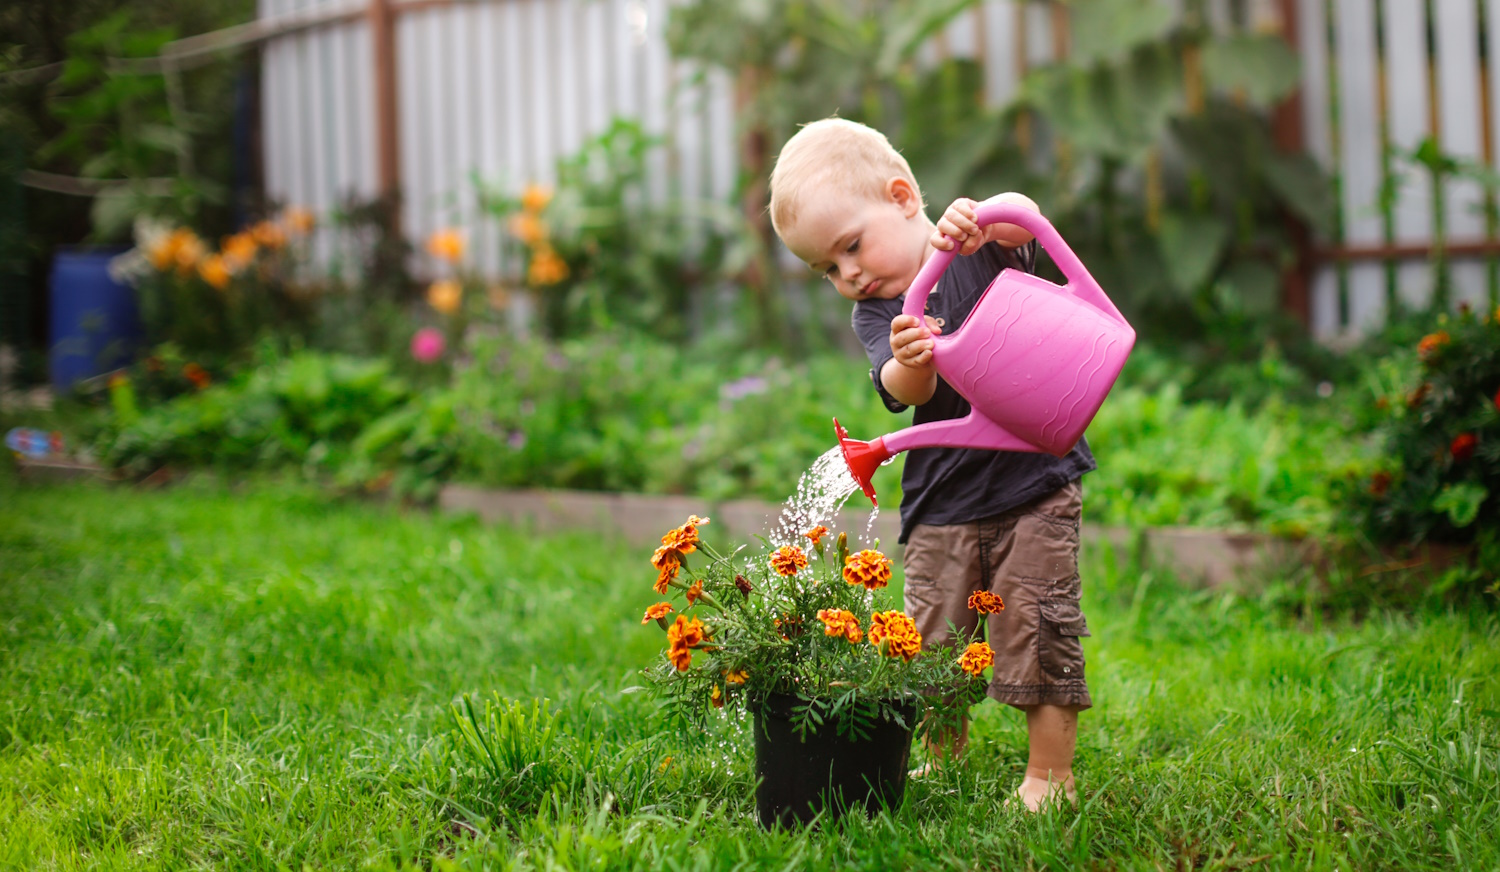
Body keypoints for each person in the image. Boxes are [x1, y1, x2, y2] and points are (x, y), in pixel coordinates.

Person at [768, 117, 1096, 812]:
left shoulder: (975, 246)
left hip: (1031, 481)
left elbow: (1027, 221)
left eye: (850, 247)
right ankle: (947, 757)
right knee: (932, 641)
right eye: (827, 268)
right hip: (941, 497)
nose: (847, 273)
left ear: (902, 196)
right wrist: (909, 359)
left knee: (1039, 625)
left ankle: (1049, 777)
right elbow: (898, 388)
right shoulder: (881, 311)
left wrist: (985, 218)